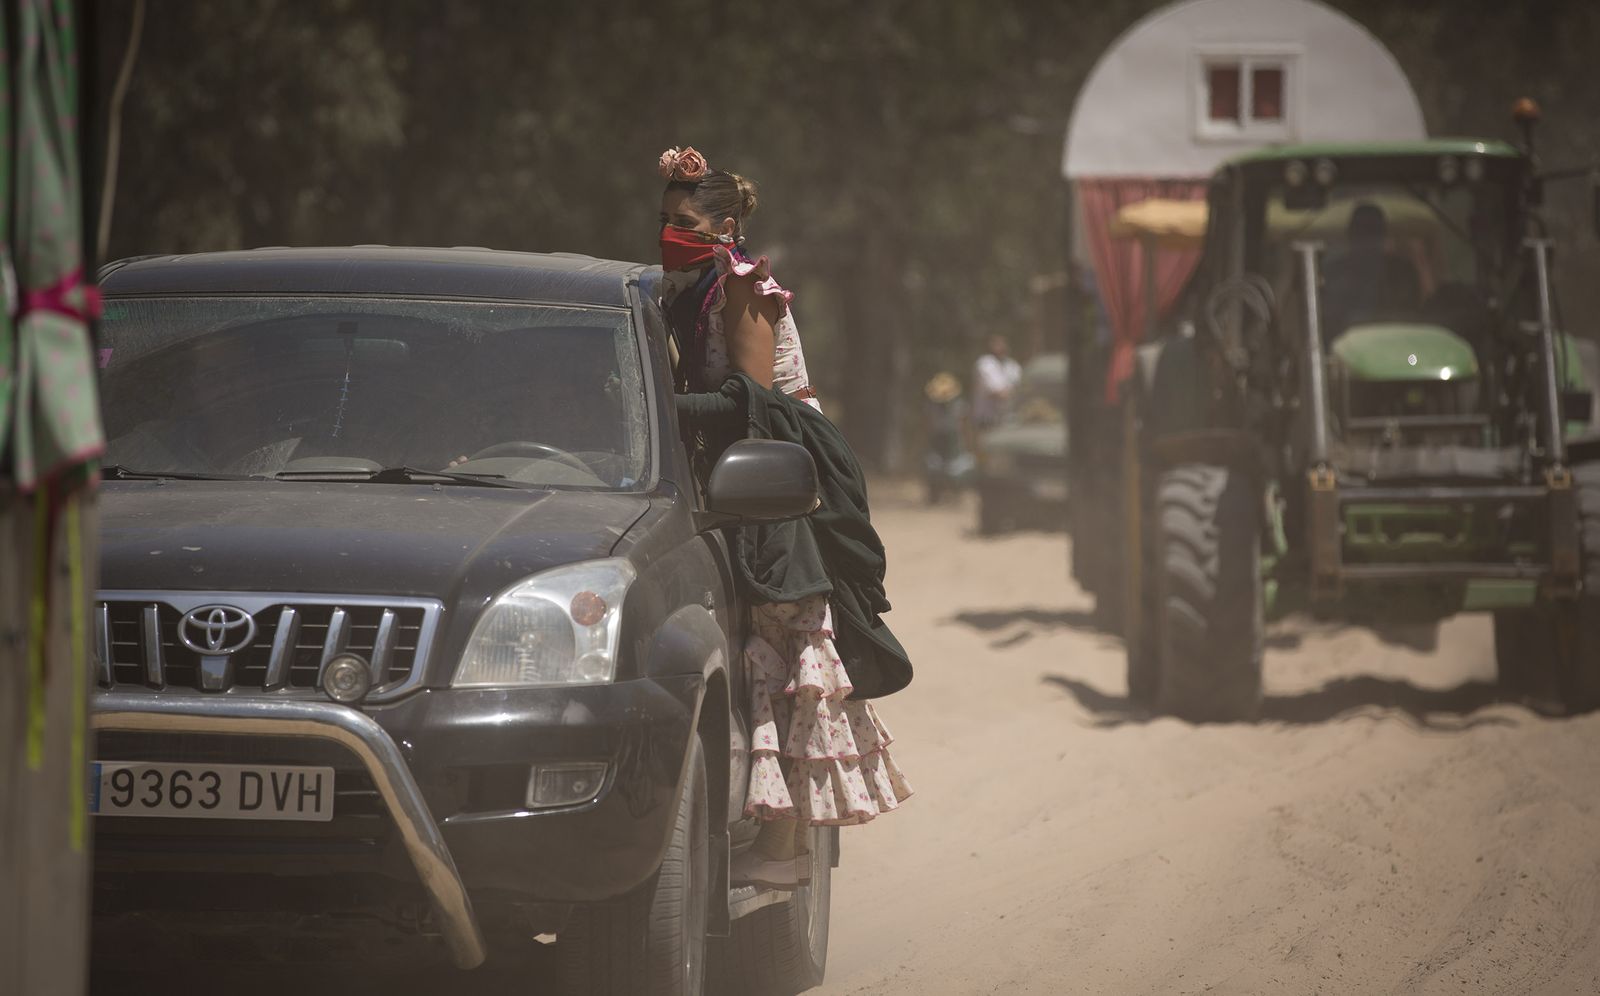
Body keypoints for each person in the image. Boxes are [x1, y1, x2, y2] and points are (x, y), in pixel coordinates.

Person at [656, 145, 912, 889]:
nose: (669, 232)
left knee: (786, 640)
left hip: (781, 469)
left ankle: (788, 847)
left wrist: (658, 411)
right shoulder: (690, 287)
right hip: (743, 464)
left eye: (684, 222)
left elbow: (750, 401)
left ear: (725, 227)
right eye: (664, 219)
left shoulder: (738, 288)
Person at [1320, 201, 1421, 337]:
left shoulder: (1402, 273)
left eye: (1373, 231)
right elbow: (1325, 323)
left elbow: (1414, 318)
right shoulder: (1332, 275)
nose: (1367, 239)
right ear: (1350, 234)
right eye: (1361, 231)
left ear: (1383, 234)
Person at [971, 334, 1021, 429]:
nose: (1000, 347)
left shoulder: (1013, 365)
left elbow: (1021, 387)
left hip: (1009, 419)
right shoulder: (984, 364)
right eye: (996, 344)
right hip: (987, 420)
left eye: (1002, 343)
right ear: (990, 346)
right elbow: (997, 393)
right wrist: (1015, 393)